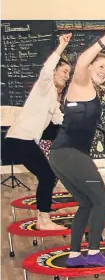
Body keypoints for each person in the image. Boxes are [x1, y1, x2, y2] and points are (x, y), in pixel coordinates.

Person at [49, 31, 105, 267]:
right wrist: (103, 42)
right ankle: (93, 253)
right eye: (101, 66)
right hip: (70, 154)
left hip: (63, 155)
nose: (104, 72)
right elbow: (80, 60)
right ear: (90, 67)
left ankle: (74, 256)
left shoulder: (89, 89)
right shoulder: (80, 83)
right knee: (101, 200)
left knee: (87, 203)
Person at [6, 34, 72, 230]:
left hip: (22, 140)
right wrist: (61, 47)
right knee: (47, 175)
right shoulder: (45, 86)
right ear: (55, 72)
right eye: (64, 71)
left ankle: (42, 218)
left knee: (47, 175)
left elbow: (59, 119)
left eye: (69, 73)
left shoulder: (52, 97)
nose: (67, 76)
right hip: (20, 139)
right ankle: (43, 220)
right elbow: (46, 70)